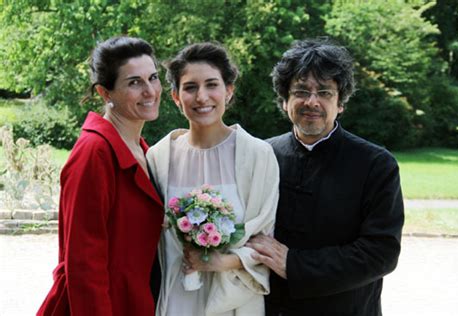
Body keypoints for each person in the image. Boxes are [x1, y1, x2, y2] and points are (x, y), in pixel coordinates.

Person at [246, 38, 405, 315]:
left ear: (340, 102)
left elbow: (381, 253)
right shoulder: (261, 154)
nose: (312, 101)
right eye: (301, 91)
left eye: (324, 92)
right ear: (285, 101)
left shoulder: (376, 164)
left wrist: (293, 264)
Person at [146, 42, 279, 316]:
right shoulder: (159, 157)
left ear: (228, 91)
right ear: (175, 96)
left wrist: (221, 262)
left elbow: (266, 240)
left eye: (212, 85)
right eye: (190, 87)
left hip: (234, 301)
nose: (201, 97)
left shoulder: (258, 155)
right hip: (176, 299)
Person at [37, 36, 165, 316]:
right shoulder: (94, 153)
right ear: (105, 94)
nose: (150, 91)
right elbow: (83, 266)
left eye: (153, 78)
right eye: (134, 82)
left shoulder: (145, 151)